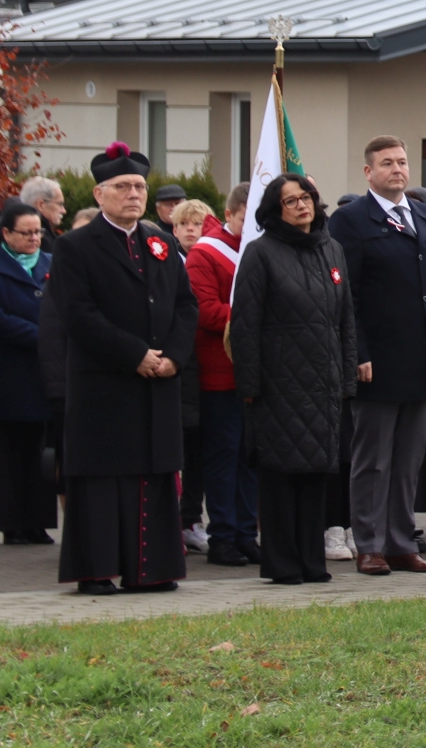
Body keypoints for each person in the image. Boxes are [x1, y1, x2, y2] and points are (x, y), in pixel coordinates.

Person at [52, 142, 197, 595]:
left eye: (139, 186)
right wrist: (135, 354)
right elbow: (78, 315)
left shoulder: (161, 241)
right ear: (100, 194)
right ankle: (97, 571)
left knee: (153, 476)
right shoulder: (75, 246)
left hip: (158, 382)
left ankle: (150, 571)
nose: (134, 194)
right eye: (122, 187)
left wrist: (173, 356)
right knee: (103, 480)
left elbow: (185, 304)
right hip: (105, 384)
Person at [328, 136, 426, 576]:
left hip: (424, 359)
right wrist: (357, 352)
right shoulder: (350, 220)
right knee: (373, 460)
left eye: (402, 162)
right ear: (368, 172)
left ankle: (401, 542)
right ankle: (369, 544)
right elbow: (346, 296)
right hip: (377, 361)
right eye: (387, 163)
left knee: (409, 461)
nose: (397, 169)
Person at [229, 174, 358, 584]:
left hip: (324, 385)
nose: (302, 206)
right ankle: (283, 564)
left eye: (307, 197)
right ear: (275, 210)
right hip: (278, 384)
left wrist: (347, 379)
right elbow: (245, 326)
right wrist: (250, 387)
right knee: (281, 474)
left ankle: (312, 562)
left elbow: (346, 320)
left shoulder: (331, 249)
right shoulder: (260, 253)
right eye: (291, 201)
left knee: (318, 474)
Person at [184, 181, 259, 568]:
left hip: (257, 373)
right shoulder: (205, 253)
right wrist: (259, 315)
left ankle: (247, 533)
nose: (251, 228)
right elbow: (204, 310)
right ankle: (223, 536)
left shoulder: (261, 249)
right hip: (220, 372)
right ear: (228, 214)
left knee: (250, 459)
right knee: (223, 458)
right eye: (245, 220)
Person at [0, 201, 56, 543]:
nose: (34, 239)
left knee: (41, 451)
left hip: (46, 372)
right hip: (11, 370)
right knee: (11, 450)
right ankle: (12, 523)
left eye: (38, 232)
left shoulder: (51, 263)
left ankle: (38, 522)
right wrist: (43, 336)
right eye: (26, 233)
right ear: (6, 233)